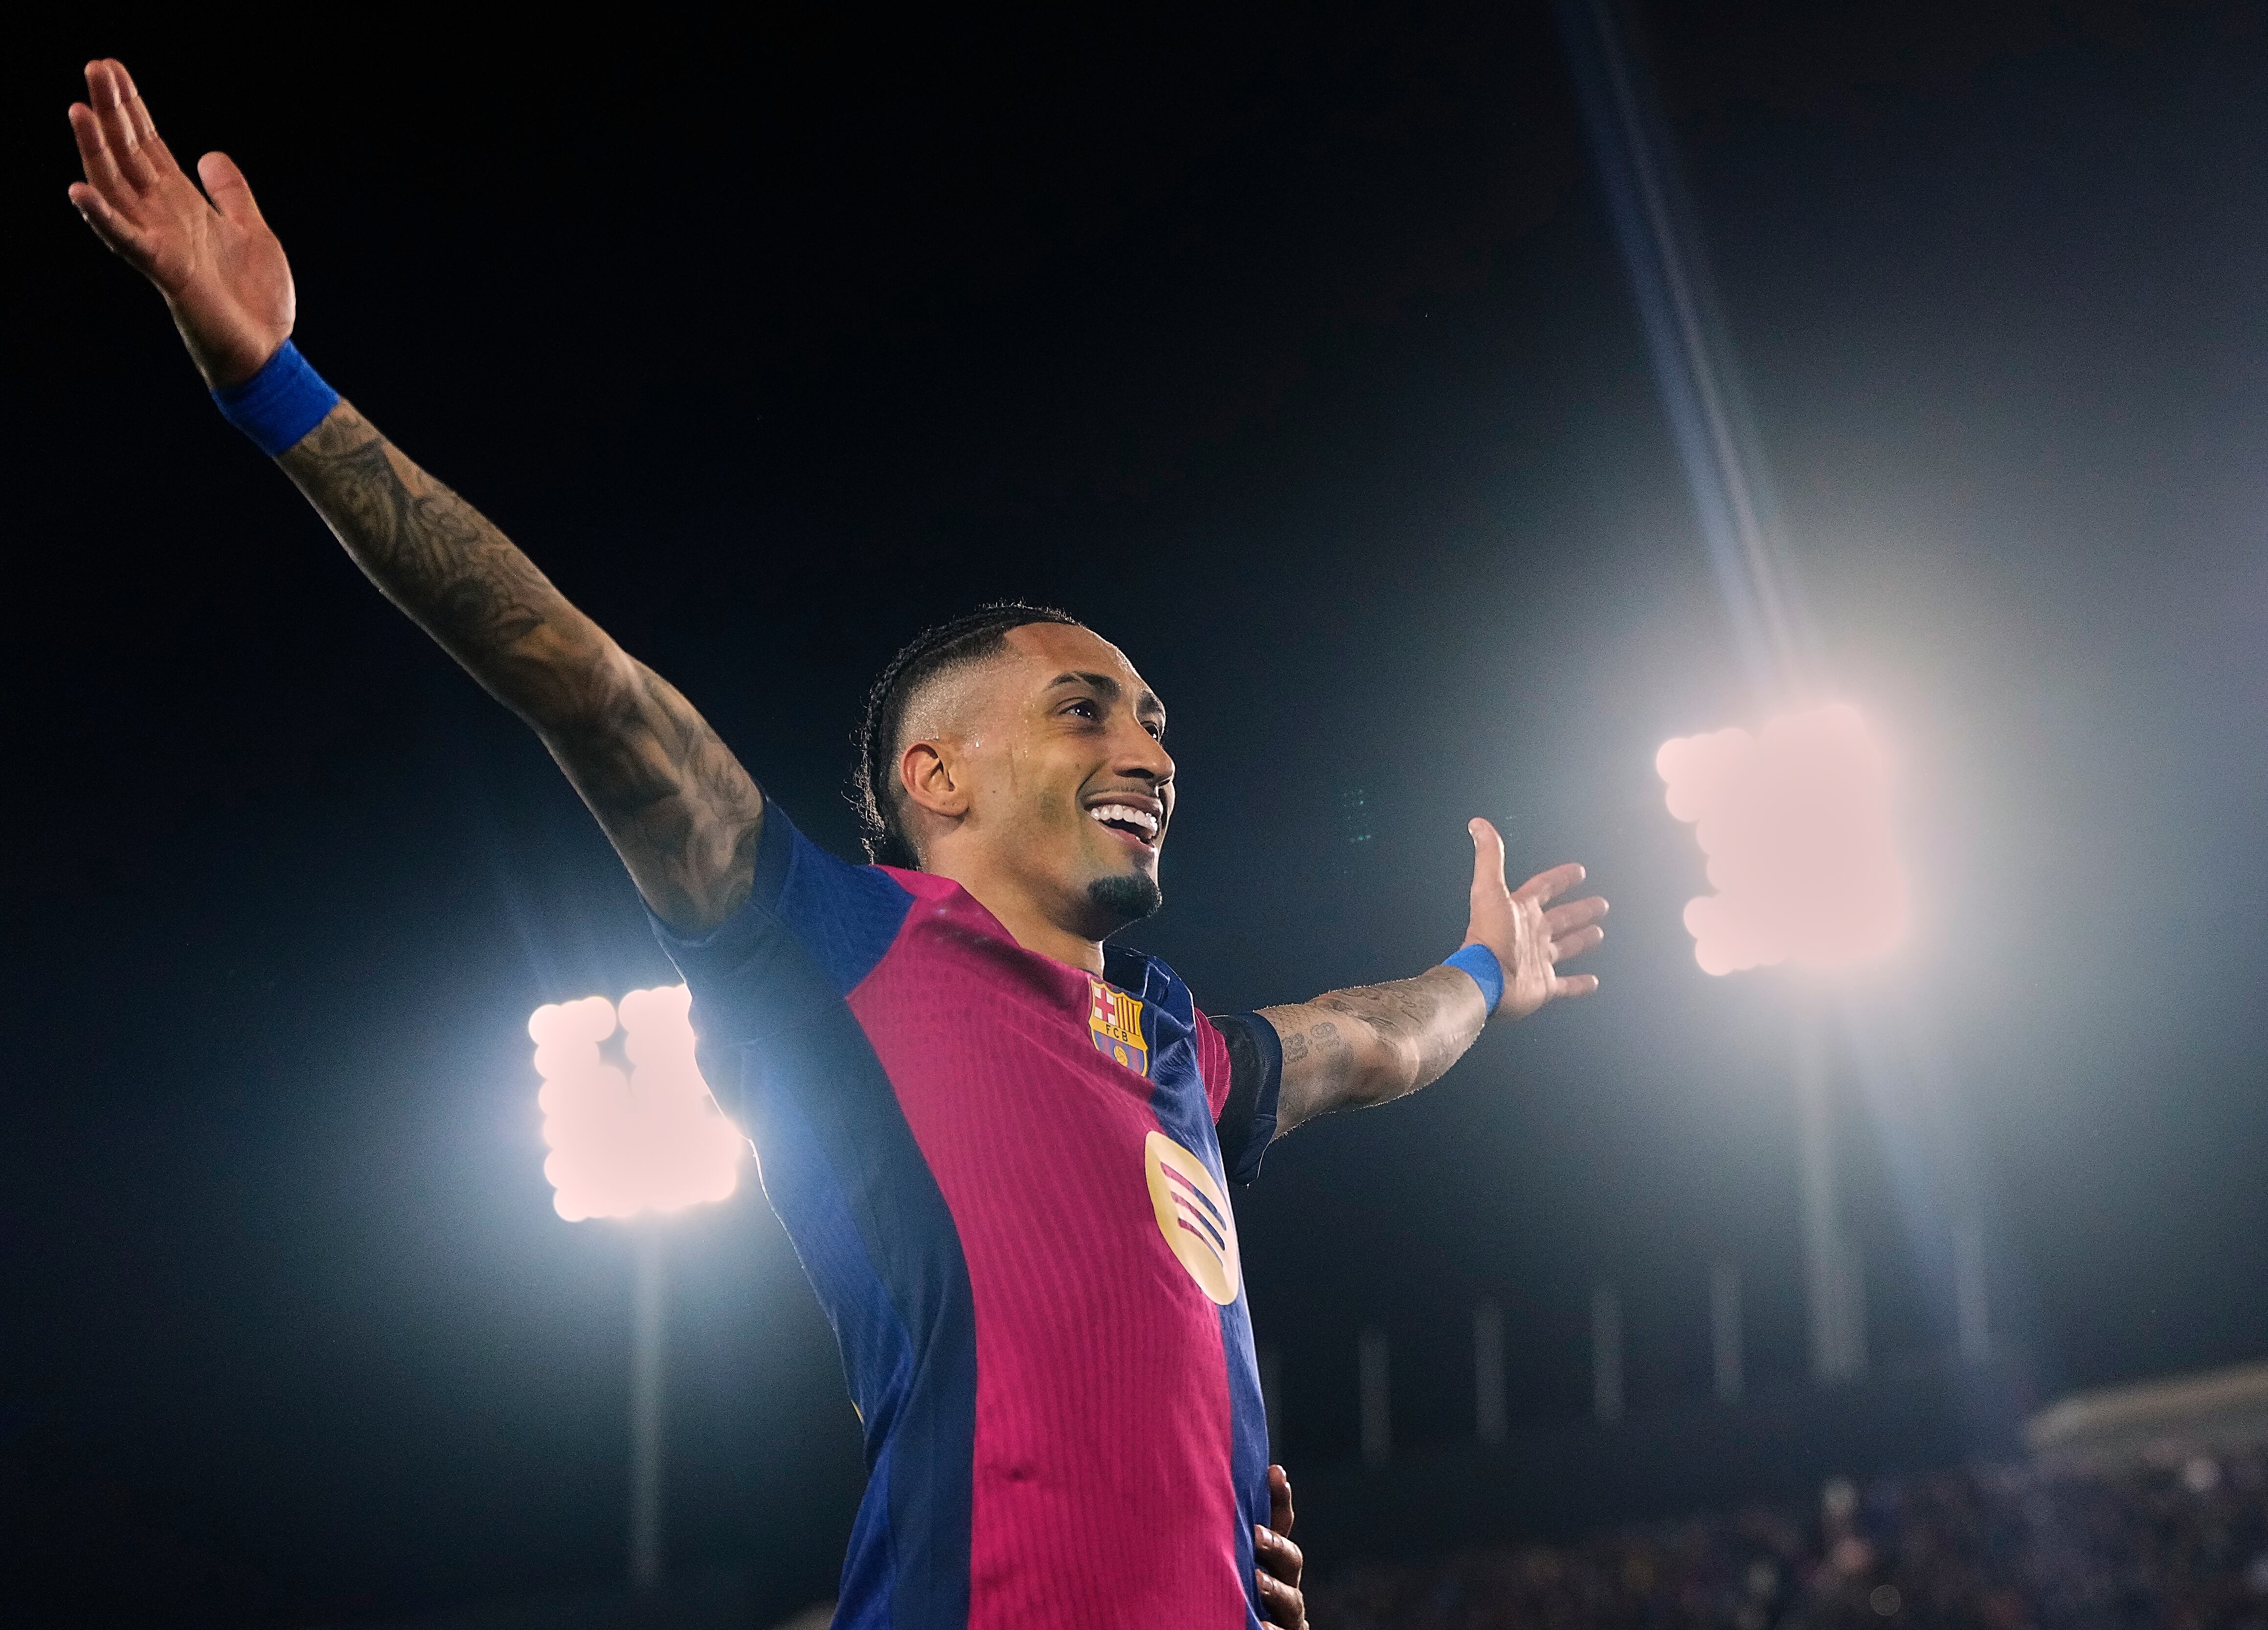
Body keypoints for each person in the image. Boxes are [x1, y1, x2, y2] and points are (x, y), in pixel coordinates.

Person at [65, 56, 1608, 1630]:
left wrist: (1492, 967)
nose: (1147, 749)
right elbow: (582, 686)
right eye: (1085, 711)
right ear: (934, 772)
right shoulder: (826, 945)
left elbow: (1370, 1039)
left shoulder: (1177, 1053)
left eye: (1156, 722)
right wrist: (275, 382)